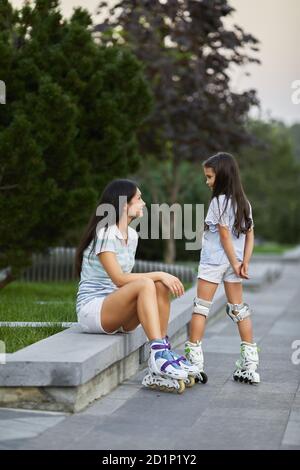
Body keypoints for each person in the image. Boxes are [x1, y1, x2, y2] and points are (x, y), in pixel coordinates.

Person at [75, 178, 197, 393]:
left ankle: (162, 350)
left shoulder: (131, 235)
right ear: (124, 205)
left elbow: (126, 282)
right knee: (148, 282)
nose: (143, 203)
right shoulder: (105, 233)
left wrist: (159, 279)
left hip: (117, 308)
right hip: (94, 310)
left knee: (159, 285)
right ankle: (158, 353)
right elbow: (120, 279)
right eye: (139, 198)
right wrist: (160, 272)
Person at [184, 153, 260, 385]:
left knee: (201, 308)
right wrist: (243, 262)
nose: (207, 182)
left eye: (209, 177)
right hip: (233, 262)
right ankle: (250, 363)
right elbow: (250, 235)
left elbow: (224, 236)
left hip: (214, 260)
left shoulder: (219, 202)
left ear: (223, 176)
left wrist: (235, 262)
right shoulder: (244, 203)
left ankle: (194, 363)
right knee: (239, 309)